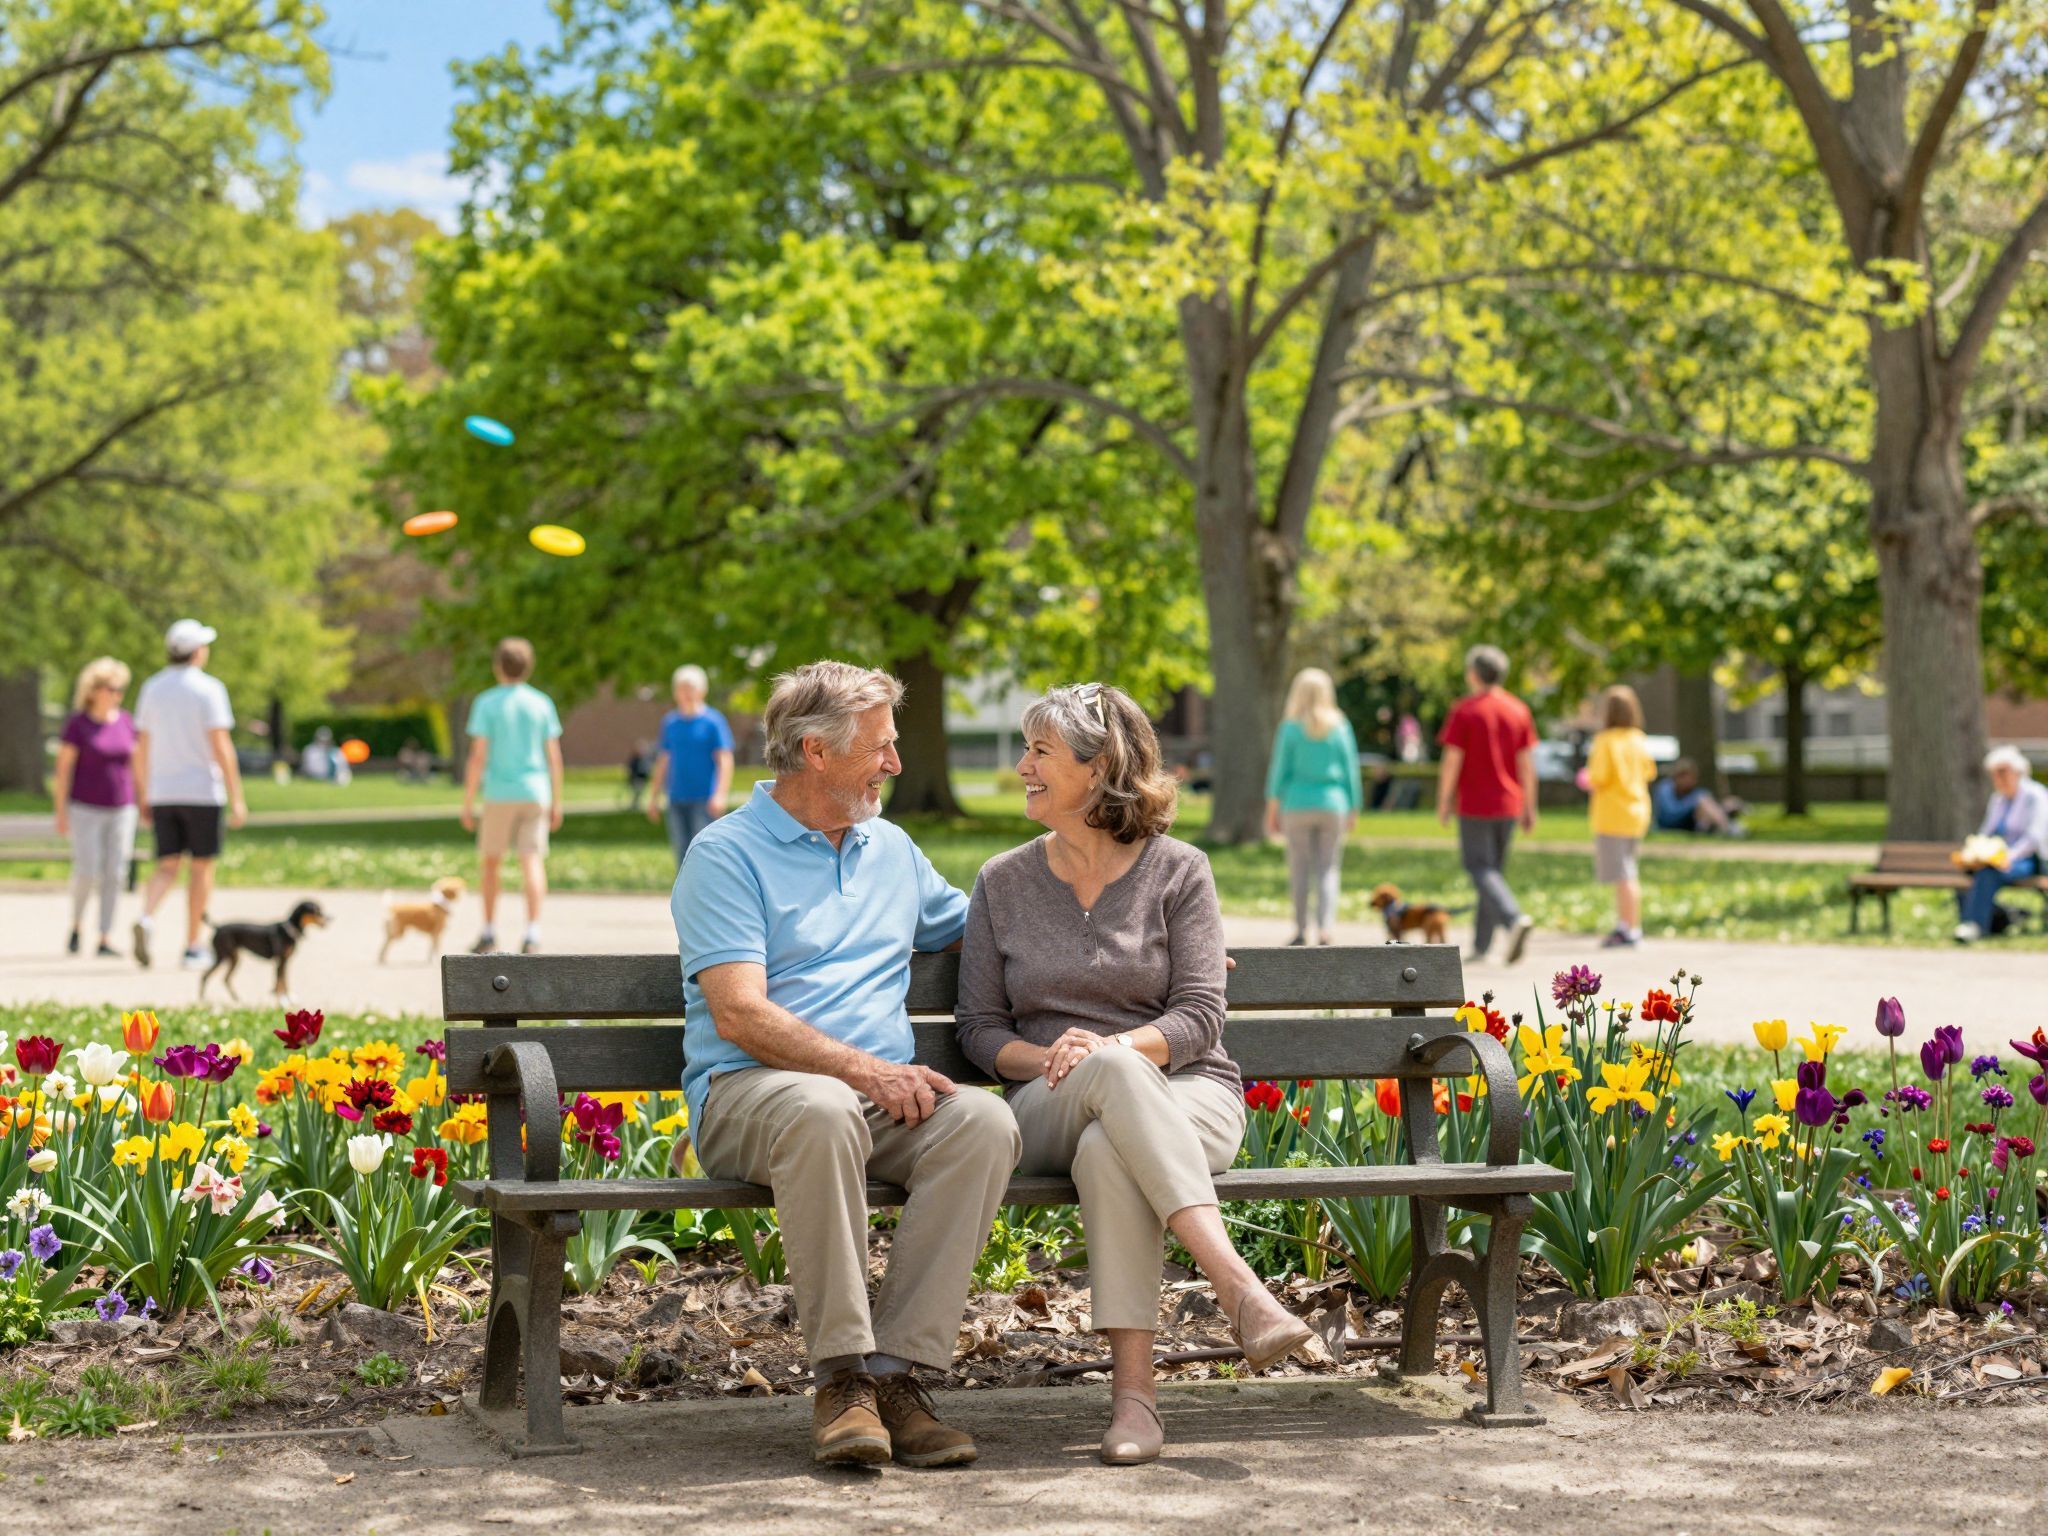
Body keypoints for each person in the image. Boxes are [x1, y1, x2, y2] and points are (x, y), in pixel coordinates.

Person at [672, 660, 1020, 1470]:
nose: (895, 763)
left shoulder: (890, 849)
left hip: (872, 1101)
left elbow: (991, 932)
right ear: (815, 751)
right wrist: (866, 1073)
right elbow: (739, 1013)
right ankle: (841, 1380)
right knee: (822, 1110)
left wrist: (1152, 941)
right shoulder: (725, 855)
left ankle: (894, 1376)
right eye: (879, 747)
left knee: (983, 1122)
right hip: (749, 1096)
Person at [957, 682, 1310, 1466]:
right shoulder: (1002, 882)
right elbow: (979, 1030)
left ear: (1099, 766)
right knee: (1106, 1087)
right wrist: (1058, 1059)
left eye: (1040, 752)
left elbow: (1200, 1018)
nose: (1023, 767)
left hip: (1191, 1095)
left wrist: (1112, 1051)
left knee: (1108, 1143)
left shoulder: (1179, 871)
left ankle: (1136, 1403)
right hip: (1047, 1100)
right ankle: (1239, 1290)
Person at [131, 619, 246, 970]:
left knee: (167, 865)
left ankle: (146, 916)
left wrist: (144, 793)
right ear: (197, 651)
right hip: (201, 792)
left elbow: (141, 747)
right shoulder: (209, 689)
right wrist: (237, 795)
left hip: (163, 791)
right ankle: (193, 944)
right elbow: (221, 744)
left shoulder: (152, 688)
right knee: (200, 868)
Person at [460, 637, 564, 955]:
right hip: (535, 791)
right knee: (531, 860)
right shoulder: (541, 703)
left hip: (499, 793)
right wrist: (557, 800)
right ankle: (532, 932)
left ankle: (489, 931)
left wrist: (468, 802)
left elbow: (478, 757)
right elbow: (554, 757)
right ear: (528, 667)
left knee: (491, 862)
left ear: (497, 667)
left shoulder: (486, 703)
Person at [1436, 644, 1537, 963]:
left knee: (1479, 868)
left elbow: (1452, 760)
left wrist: (1443, 799)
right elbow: (1526, 764)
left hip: (1475, 804)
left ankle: (1512, 918)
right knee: (1492, 874)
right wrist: (1530, 805)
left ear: (1473, 674)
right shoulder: (1518, 710)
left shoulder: (1465, 710)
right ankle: (1482, 946)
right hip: (1509, 804)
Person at [1263, 667, 1363, 946]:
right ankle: (1325, 929)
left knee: (1299, 868)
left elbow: (1278, 772)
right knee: (1328, 868)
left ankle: (1300, 929)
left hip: (1296, 804)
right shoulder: (1340, 727)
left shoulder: (1290, 728)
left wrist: (1272, 809)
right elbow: (1351, 769)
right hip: (1334, 804)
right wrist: (1354, 806)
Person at [53, 657, 138, 957]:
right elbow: (63, 770)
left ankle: (105, 936)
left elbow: (136, 764)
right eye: (112, 688)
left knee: (116, 871)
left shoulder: (126, 721)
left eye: (120, 689)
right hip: (85, 807)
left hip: (122, 807)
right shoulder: (78, 724)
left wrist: (144, 800)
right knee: (87, 869)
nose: (117, 694)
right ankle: (77, 924)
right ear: (93, 690)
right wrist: (60, 811)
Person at [1586, 684, 1657, 949]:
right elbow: (1649, 772)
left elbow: (1598, 777)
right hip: (1637, 811)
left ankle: (1629, 928)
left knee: (1623, 874)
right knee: (1628, 870)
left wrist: (1585, 779)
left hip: (1612, 814)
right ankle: (1627, 924)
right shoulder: (1638, 739)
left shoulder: (1605, 741)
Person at [1955, 745, 2048, 944]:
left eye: (2003, 772)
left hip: (2028, 859)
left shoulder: (2035, 796)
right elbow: (1987, 831)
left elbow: (2034, 837)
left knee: (1988, 874)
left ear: (2018, 771)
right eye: (1995, 774)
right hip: (1998, 858)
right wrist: (1975, 852)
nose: (1998, 778)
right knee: (1970, 873)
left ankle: (1974, 925)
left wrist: (2009, 857)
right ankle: (2003, 918)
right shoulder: (1998, 799)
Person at [647, 664, 734, 870]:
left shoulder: (713, 721)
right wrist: (654, 796)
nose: (686, 694)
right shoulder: (670, 723)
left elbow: (725, 760)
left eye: (690, 688)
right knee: (681, 853)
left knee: (703, 852)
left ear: (702, 691)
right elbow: (664, 760)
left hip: (704, 799)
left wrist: (720, 794)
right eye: (681, 689)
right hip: (676, 798)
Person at [1651, 759, 1747, 837]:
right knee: (1702, 800)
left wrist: (1723, 806)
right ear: (1680, 776)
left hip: (1690, 825)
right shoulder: (1665, 788)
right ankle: (1727, 828)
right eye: (1690, 778)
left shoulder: (1691, 793)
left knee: (1723, 803)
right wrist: (1695, 801)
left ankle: (1723, 825)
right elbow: (1671, 815)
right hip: (1668, 826)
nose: (1694, 781)